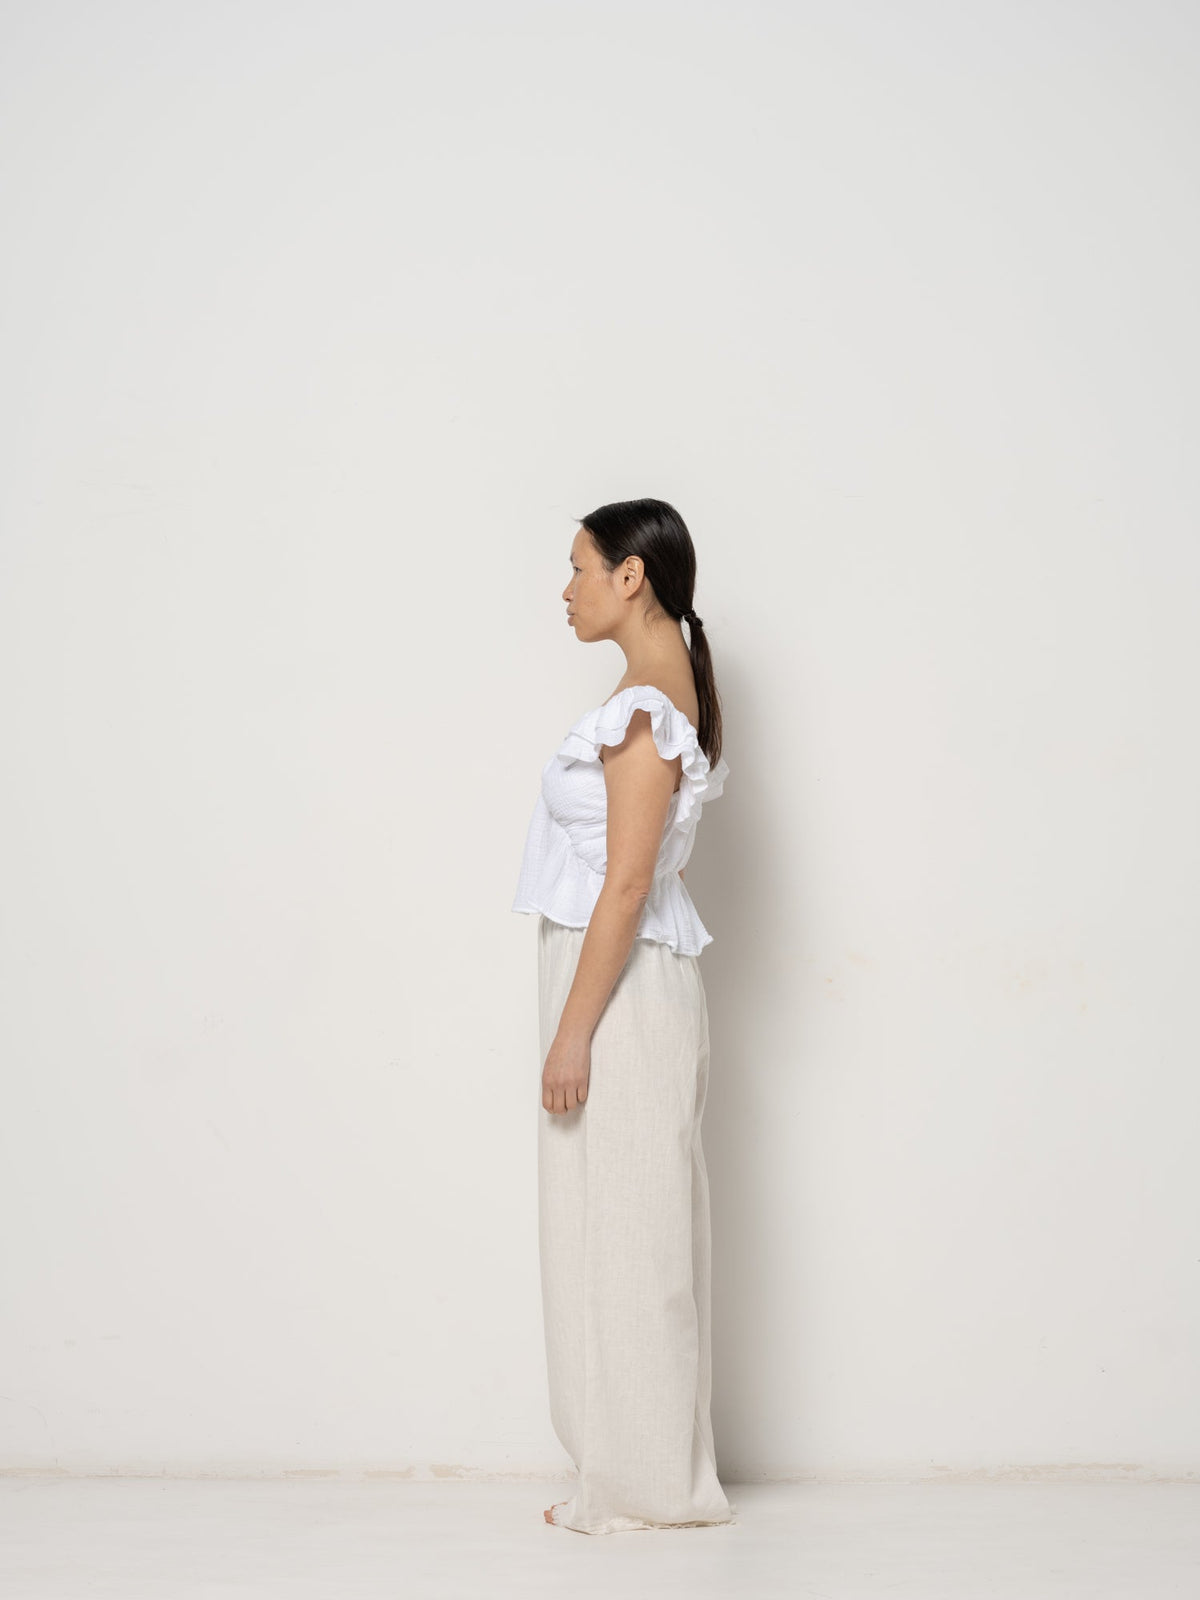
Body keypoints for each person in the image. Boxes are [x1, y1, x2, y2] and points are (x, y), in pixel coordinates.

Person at [511, 497, 737, 1534]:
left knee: (630, 1237)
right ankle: (629, 1473)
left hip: (622, 992)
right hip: (627, 981)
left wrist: (571, 1032)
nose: (567, 590)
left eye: (579, 568)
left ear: (630, 576)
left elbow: (629, 883)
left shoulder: (645, 708)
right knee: (619, 1228)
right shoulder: (658, 690)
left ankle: (645, 1490)